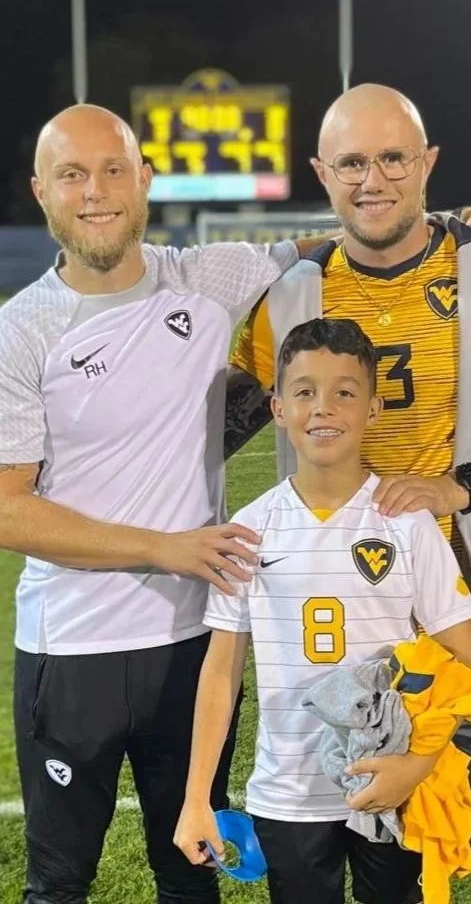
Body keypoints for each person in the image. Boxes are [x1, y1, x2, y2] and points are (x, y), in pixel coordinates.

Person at [0, 101, 340, 904]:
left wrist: (468, 219)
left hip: (194, 645)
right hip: (70, 650)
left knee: (192, 874)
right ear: (40, 190)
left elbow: (352, 229)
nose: (96, 191)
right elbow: (8, 509)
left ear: (145, 179)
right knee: (60, 883)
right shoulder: (21, 331)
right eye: (73, 174)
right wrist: (163, 546)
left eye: (114, 168)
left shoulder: (203, 278)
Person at [227, 82, 471, 904]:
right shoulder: (287, 296)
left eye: (394, 157)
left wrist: (459, 490)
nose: (373, 179)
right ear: (323, 173)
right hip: (348, 635)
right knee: (361, 840)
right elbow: (207, 433)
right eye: (352, 161)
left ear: (428, 162)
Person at [175, 317, 471, 904]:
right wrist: (196, 798)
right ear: (277, 408)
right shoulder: (248, 530)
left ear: (372, 409)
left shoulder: (408, 520)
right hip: (288, 791)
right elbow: (219, 674)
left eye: (345, 391)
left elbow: (465, 662)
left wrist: (416, 766)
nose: (324, 408)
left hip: (390, 777)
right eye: (304, 392)